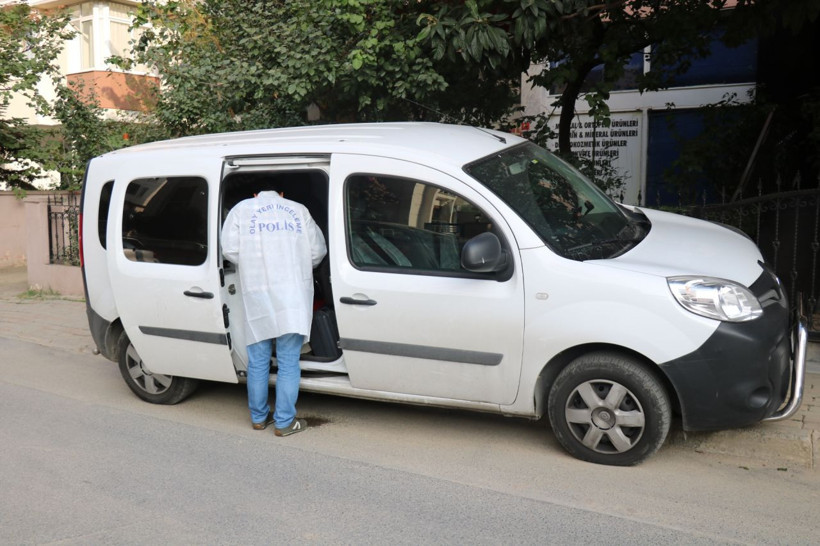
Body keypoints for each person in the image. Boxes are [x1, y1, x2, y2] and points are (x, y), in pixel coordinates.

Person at [221, 187, 327, 436]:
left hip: (257, 294)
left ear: (255, 195)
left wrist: (253, 264)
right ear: (281, 194)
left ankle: (259, 418)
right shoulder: (298, 210)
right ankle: (284, 422)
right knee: (289, 361)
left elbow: (230, 251)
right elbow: (318, 251)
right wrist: (296, 263)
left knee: (258, 361)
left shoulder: (241, 210)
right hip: (292, 296)